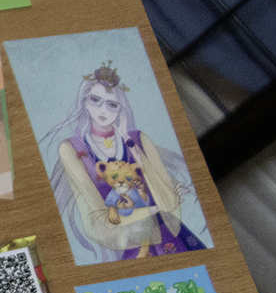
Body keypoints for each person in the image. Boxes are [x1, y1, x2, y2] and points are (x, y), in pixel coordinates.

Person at [42, 61, 209, 260]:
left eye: (112, 104)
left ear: (121, 109)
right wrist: (150, 210)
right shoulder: (71, 148)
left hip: (168, 235)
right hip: (132, 242)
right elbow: (100, 219)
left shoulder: (138, 139)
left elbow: (168, 200)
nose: (102, 110)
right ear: (84, 101)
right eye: (95, 100)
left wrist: (129, 142)